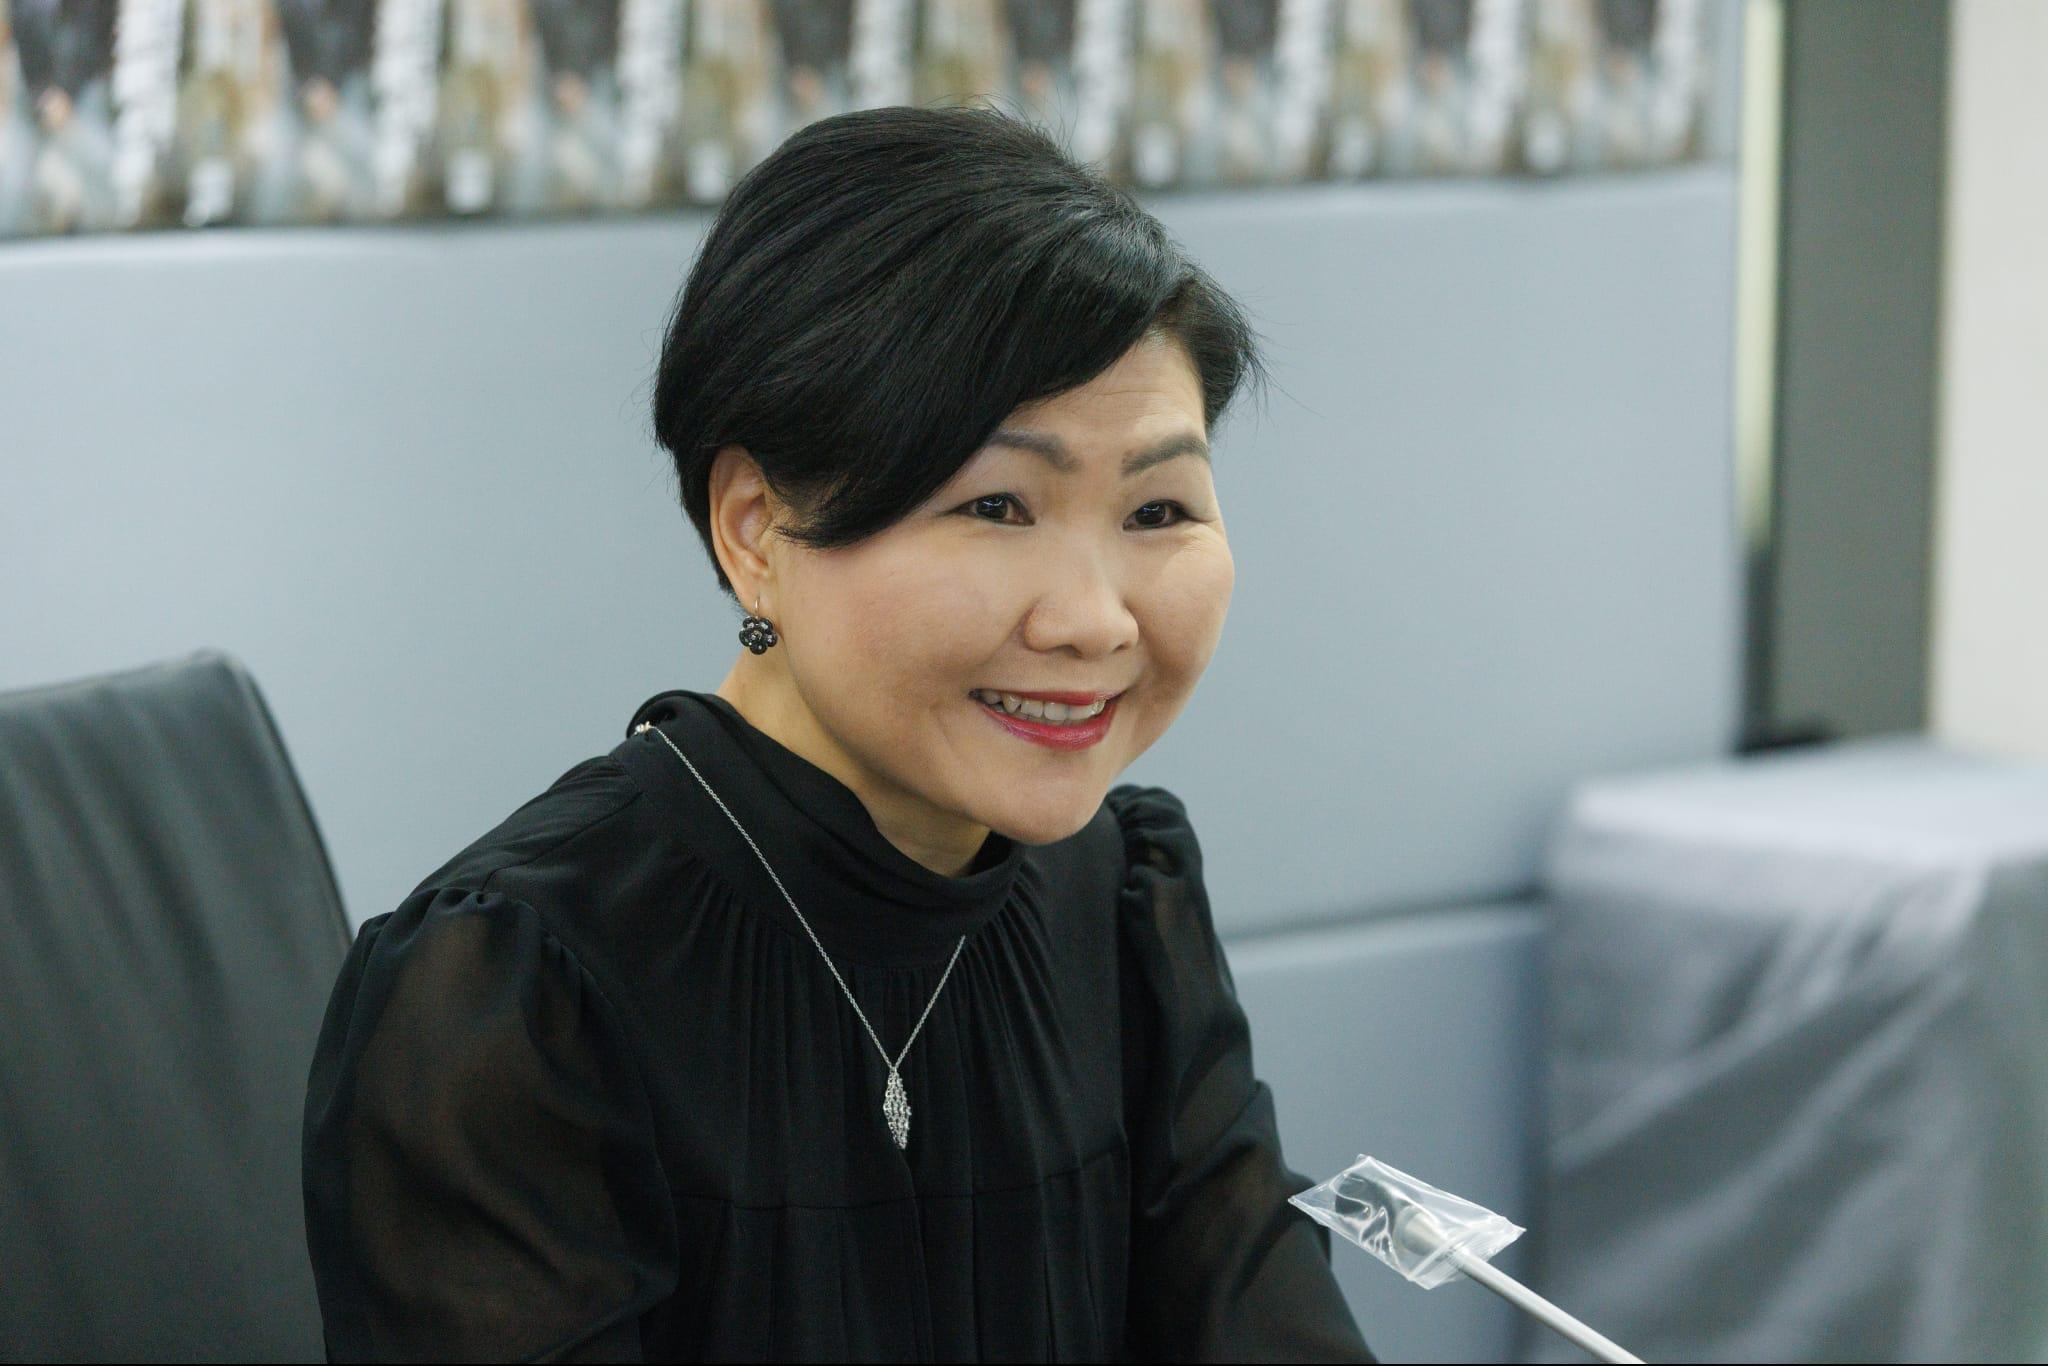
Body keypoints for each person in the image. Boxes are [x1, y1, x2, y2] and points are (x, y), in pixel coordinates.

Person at [301, 104, 1376, 1363]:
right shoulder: (517, 994)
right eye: (996, 505)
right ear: (755, 527)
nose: (1094, 620)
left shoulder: (1121, 903)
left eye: (1157, 511)